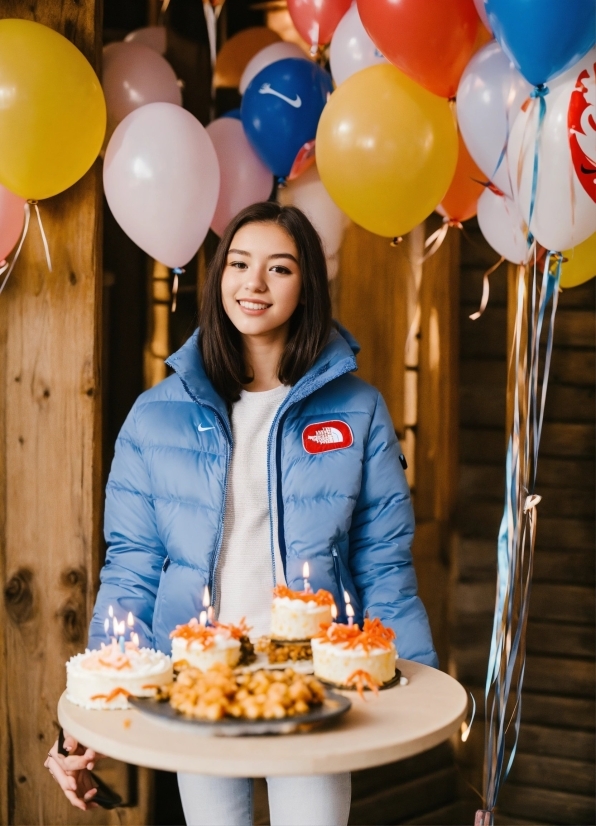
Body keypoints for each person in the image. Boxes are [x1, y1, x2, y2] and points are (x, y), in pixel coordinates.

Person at [45, 202, 437, 825]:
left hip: (315, 681)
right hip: (197, 680)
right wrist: (89, 712)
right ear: (218, 277)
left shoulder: (358, 409)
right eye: (239, 264)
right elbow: (133, 568)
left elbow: (382, 558)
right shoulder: (155, 414)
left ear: (307, 284)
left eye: (279, 268)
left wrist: (422, 685)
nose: (253, 284)